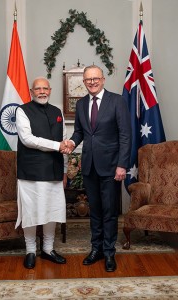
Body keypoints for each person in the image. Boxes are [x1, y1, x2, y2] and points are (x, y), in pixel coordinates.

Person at [64, 65, 131, 272]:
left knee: (110, 212)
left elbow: (125, 136)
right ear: (84, 82)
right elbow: (79, 133)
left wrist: (122, 165)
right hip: (90, 167)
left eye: (95, 79)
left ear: (102, 79)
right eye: (88, 80)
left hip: (112, 167)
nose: (92, 82)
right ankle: (97, 249)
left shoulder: (117, 101)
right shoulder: (82, 104)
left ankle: (110, 252)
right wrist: (71, 143)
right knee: (95, 212)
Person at [15, 77, 68, 269]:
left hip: (54, 169)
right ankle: (30, 250)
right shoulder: (22, 110)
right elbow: (27, 139)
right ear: (31, 91)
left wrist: (64, 171)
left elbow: (64, 142)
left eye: (45, 88)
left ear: (50, 90)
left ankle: (48, 249)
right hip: (30, 170)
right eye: (38, 89)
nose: (42, 91)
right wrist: (57, 145)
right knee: (31, 211)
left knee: (51, 210)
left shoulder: (57, 112)